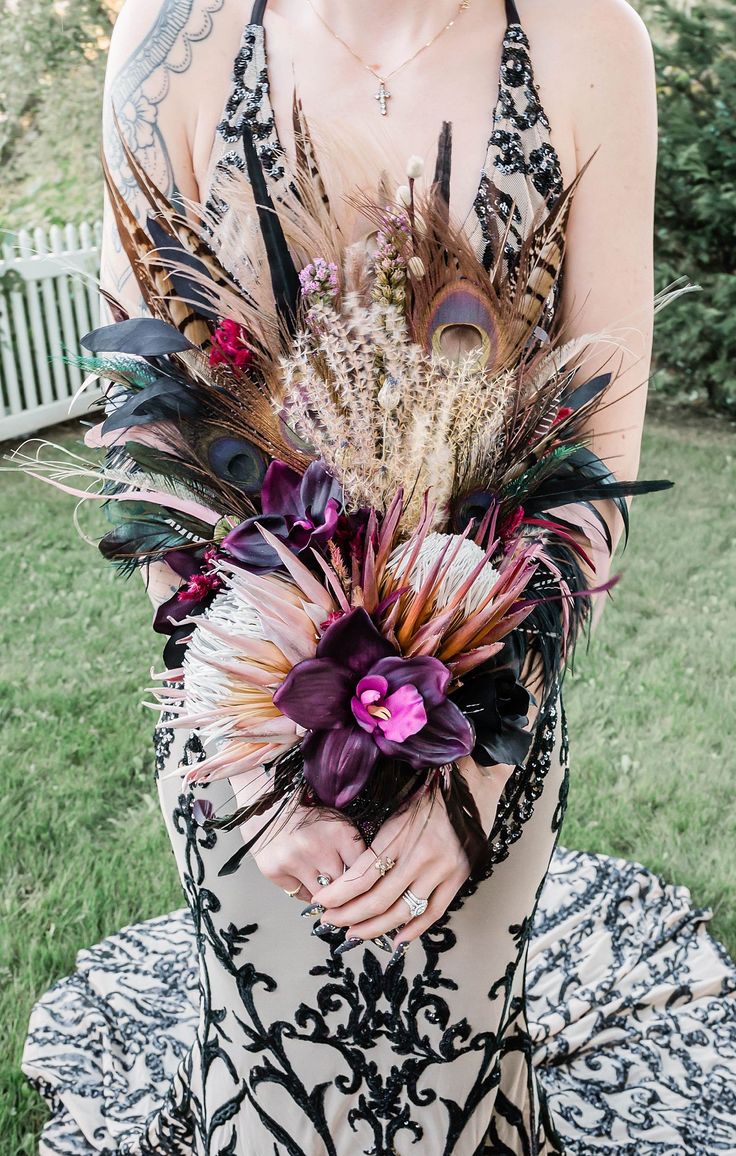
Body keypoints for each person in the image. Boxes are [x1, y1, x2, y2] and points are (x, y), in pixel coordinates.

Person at [20, 1, 736, 1153]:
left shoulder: (584, 39)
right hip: (241, 706)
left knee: (446, 1104)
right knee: (276, 1100)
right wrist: (251, 762)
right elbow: (150, 437)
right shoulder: (178, 40)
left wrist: (479, 780)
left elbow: (596, 456)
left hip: (491, 712)